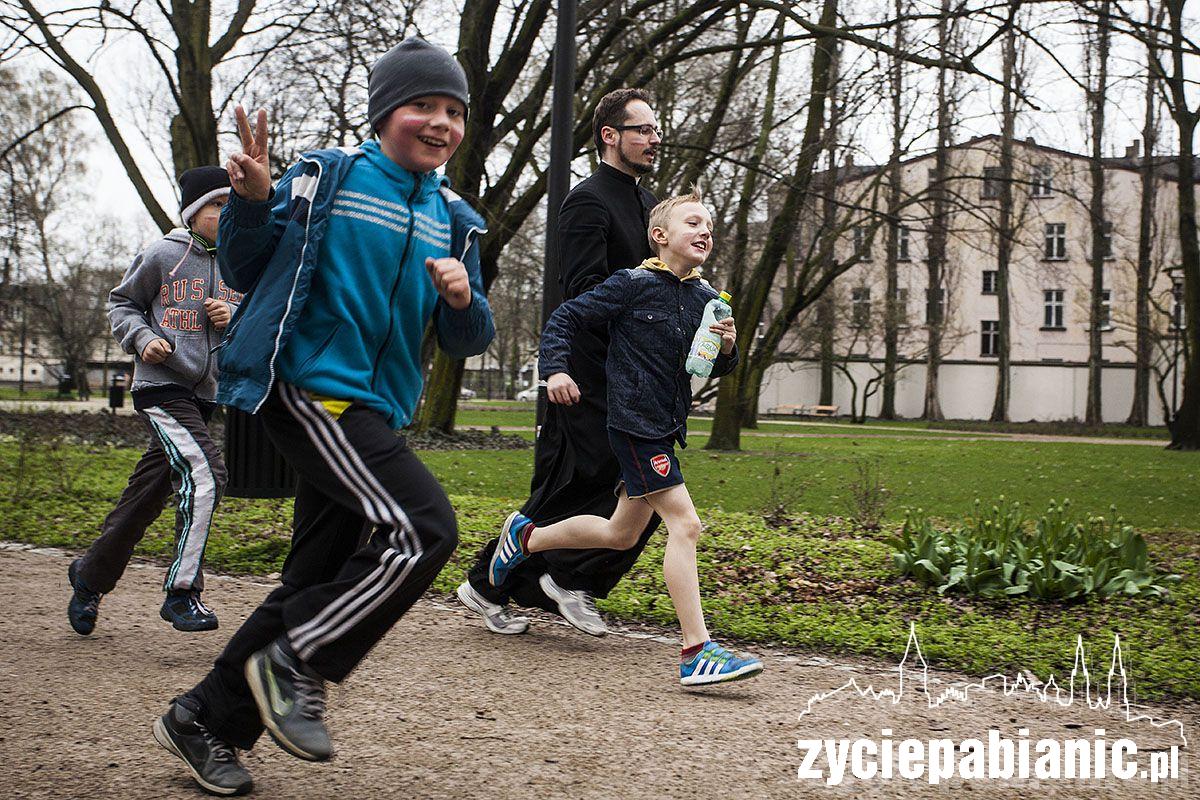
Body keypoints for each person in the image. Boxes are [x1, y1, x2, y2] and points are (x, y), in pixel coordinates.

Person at [151, 38, 495, 796]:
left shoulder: (454, 217)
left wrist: (464, 298)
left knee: (314, 577)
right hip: (310, 392)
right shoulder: (328, 178)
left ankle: (203, 718)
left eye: (453, 110)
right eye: (422, 106)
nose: (440, 122)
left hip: (374, 409)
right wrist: (249, 201)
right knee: (423, 528)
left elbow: (471, 337)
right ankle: (299, 660)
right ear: (384, 115)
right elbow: (244, 266)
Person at [488, 190, 764, 686]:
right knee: (686, 525)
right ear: (660, 237)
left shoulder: (706, 298)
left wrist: (728, 346)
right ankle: (696, 650)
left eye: (709, 226)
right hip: (634, 426)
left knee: (621, 533)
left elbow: (708, 367)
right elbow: (565, 318)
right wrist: (554, 370)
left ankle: (526, 537)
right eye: (693, 223)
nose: (705, 232)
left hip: (666, 426)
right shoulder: (632, 284)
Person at [459, 88, 663, 637]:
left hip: (628, 375)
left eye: (655, 129)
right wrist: (558, 368)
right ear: (610, 136)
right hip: (581, 372)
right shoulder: (587, 200)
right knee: (576, 486)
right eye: (642, 129)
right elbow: (580, 292)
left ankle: (560, 581)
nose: (653, 138)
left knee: (636, 489)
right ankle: (495, 583)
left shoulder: (647, 206)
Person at [67, 166, 238, 636]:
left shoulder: (240, 264)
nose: (227, 214)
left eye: (233, 205)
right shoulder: (163, 254)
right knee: (207, 474)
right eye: (218, 204)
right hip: (161, 387)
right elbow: (121, 303)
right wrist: (142, 338)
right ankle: (183, 592)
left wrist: (233, 315)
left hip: (204, 394)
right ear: (193, 210)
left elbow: (252, 323)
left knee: (147, 496)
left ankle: (89, 575)